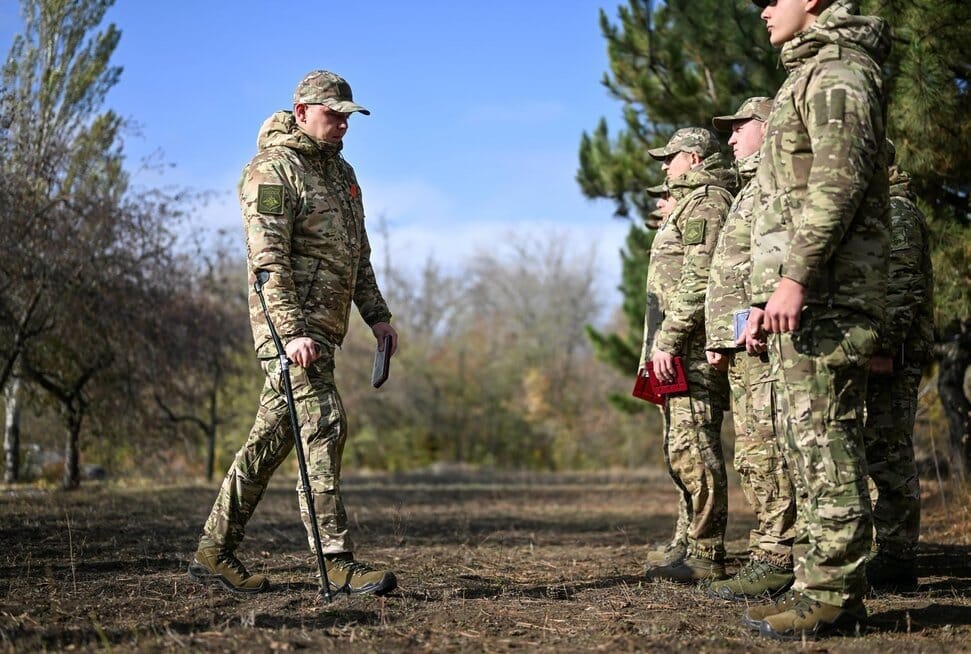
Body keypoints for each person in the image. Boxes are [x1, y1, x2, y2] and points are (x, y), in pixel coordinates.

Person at [188, 70, 399, 597]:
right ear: (302, 111)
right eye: (333, 116)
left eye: (348, 118)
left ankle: (213, 553)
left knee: (268, 442)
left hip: (324, 333)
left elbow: (358, 255)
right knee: (324, 424)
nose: (342, 127)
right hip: (293, 334)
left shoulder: (342, 174)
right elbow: (267, 263)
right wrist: (291, 333)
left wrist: (377, 316)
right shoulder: (273, 170)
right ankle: (336, 563)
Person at [742, 0, 891, 640]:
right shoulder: (803, 74)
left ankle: (833, 593)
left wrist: (796, 276)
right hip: (803, 293)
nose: (765, 9)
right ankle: (821, 586)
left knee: (828, 442)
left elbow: (838, 182)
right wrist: (761, 293)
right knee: (808, 446)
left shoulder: (838, 70)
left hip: (829, 291)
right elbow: (782, 203)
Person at [704, 97, 797, 601]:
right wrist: (723, 337)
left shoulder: (772, 181)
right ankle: (772, 547)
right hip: (744, 341)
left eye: (740, 128)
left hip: (762, 340)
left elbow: (776, 253)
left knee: (766, 449)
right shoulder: (748, 188)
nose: (732, 138)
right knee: (754, 450)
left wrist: (757, 315)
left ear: (766, 126)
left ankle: (778, 553)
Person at [640, 128, 736, 583]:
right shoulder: (691, 202)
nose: (664, 166)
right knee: (682, 449)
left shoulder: (707, 201)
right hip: (678, 349)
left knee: (696, 448)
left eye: (670, 157)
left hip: (692, 349)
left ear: (693, 157)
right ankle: (689, 540)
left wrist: (670, 339)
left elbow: (699, 279)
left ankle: (706, 550)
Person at [863, 141, 934, 591]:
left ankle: (897, 556)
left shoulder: (897, 210)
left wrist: (884, 346)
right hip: (878, 355)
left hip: (892, 357)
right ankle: (884, 550)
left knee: (889, 454)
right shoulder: (879, 209)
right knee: (877, 451)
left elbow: (902, 285)